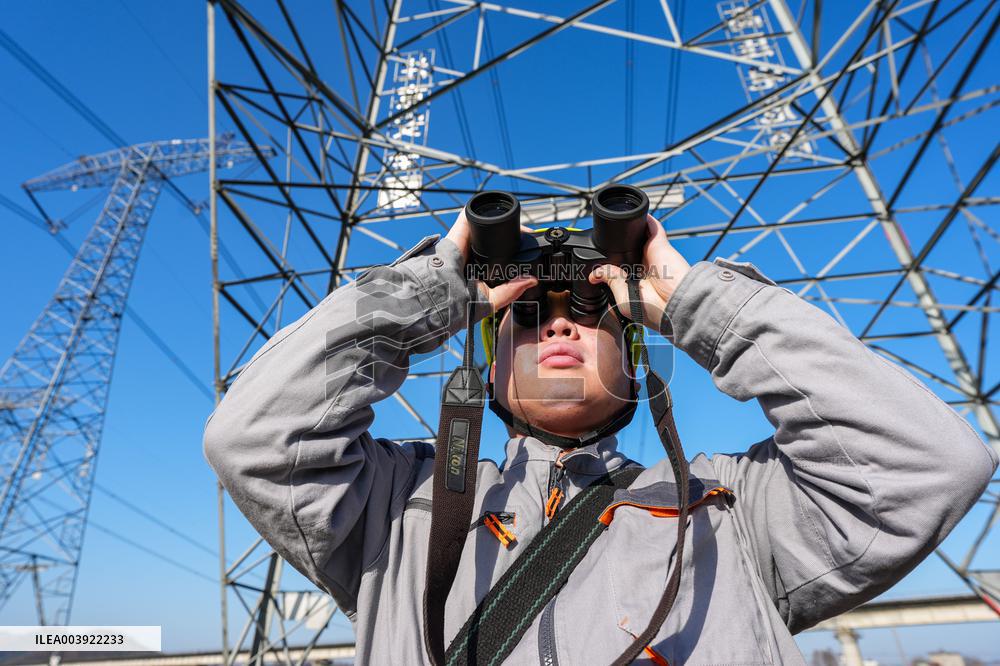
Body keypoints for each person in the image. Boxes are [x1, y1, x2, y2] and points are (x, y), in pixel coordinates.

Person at [203, 209, 997, 665]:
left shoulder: (732, 511)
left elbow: (927, 465)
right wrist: (434, 288)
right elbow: (256, 436)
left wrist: (692, 301)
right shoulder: (395, 509)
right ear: (488, 364)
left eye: (589, 314)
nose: (557, 326)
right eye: (525, 316)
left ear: (638, 355)